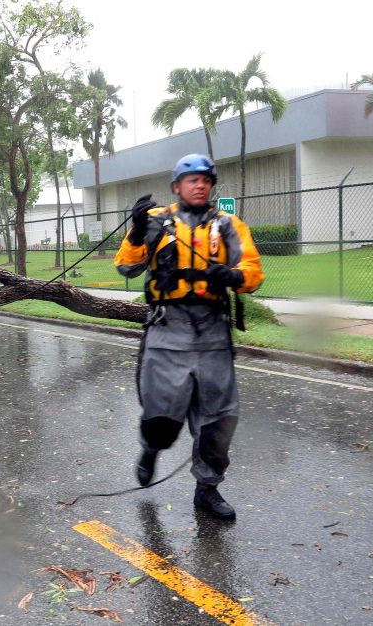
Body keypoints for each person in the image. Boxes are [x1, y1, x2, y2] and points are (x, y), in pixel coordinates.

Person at [114, 153, 265, 521]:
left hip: (213, 331)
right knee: (162, 415)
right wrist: (135, 231)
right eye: (191, 179)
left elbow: (252, 271)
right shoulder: (155, 221)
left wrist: (230, 276)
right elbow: (126, 267)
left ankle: (207, 491)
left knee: (219, 419)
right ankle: (151, 448)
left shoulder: (228, 224)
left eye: (205, 180)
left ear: (211, 186)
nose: (200, 185)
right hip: (167, 329)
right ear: (176, 187)